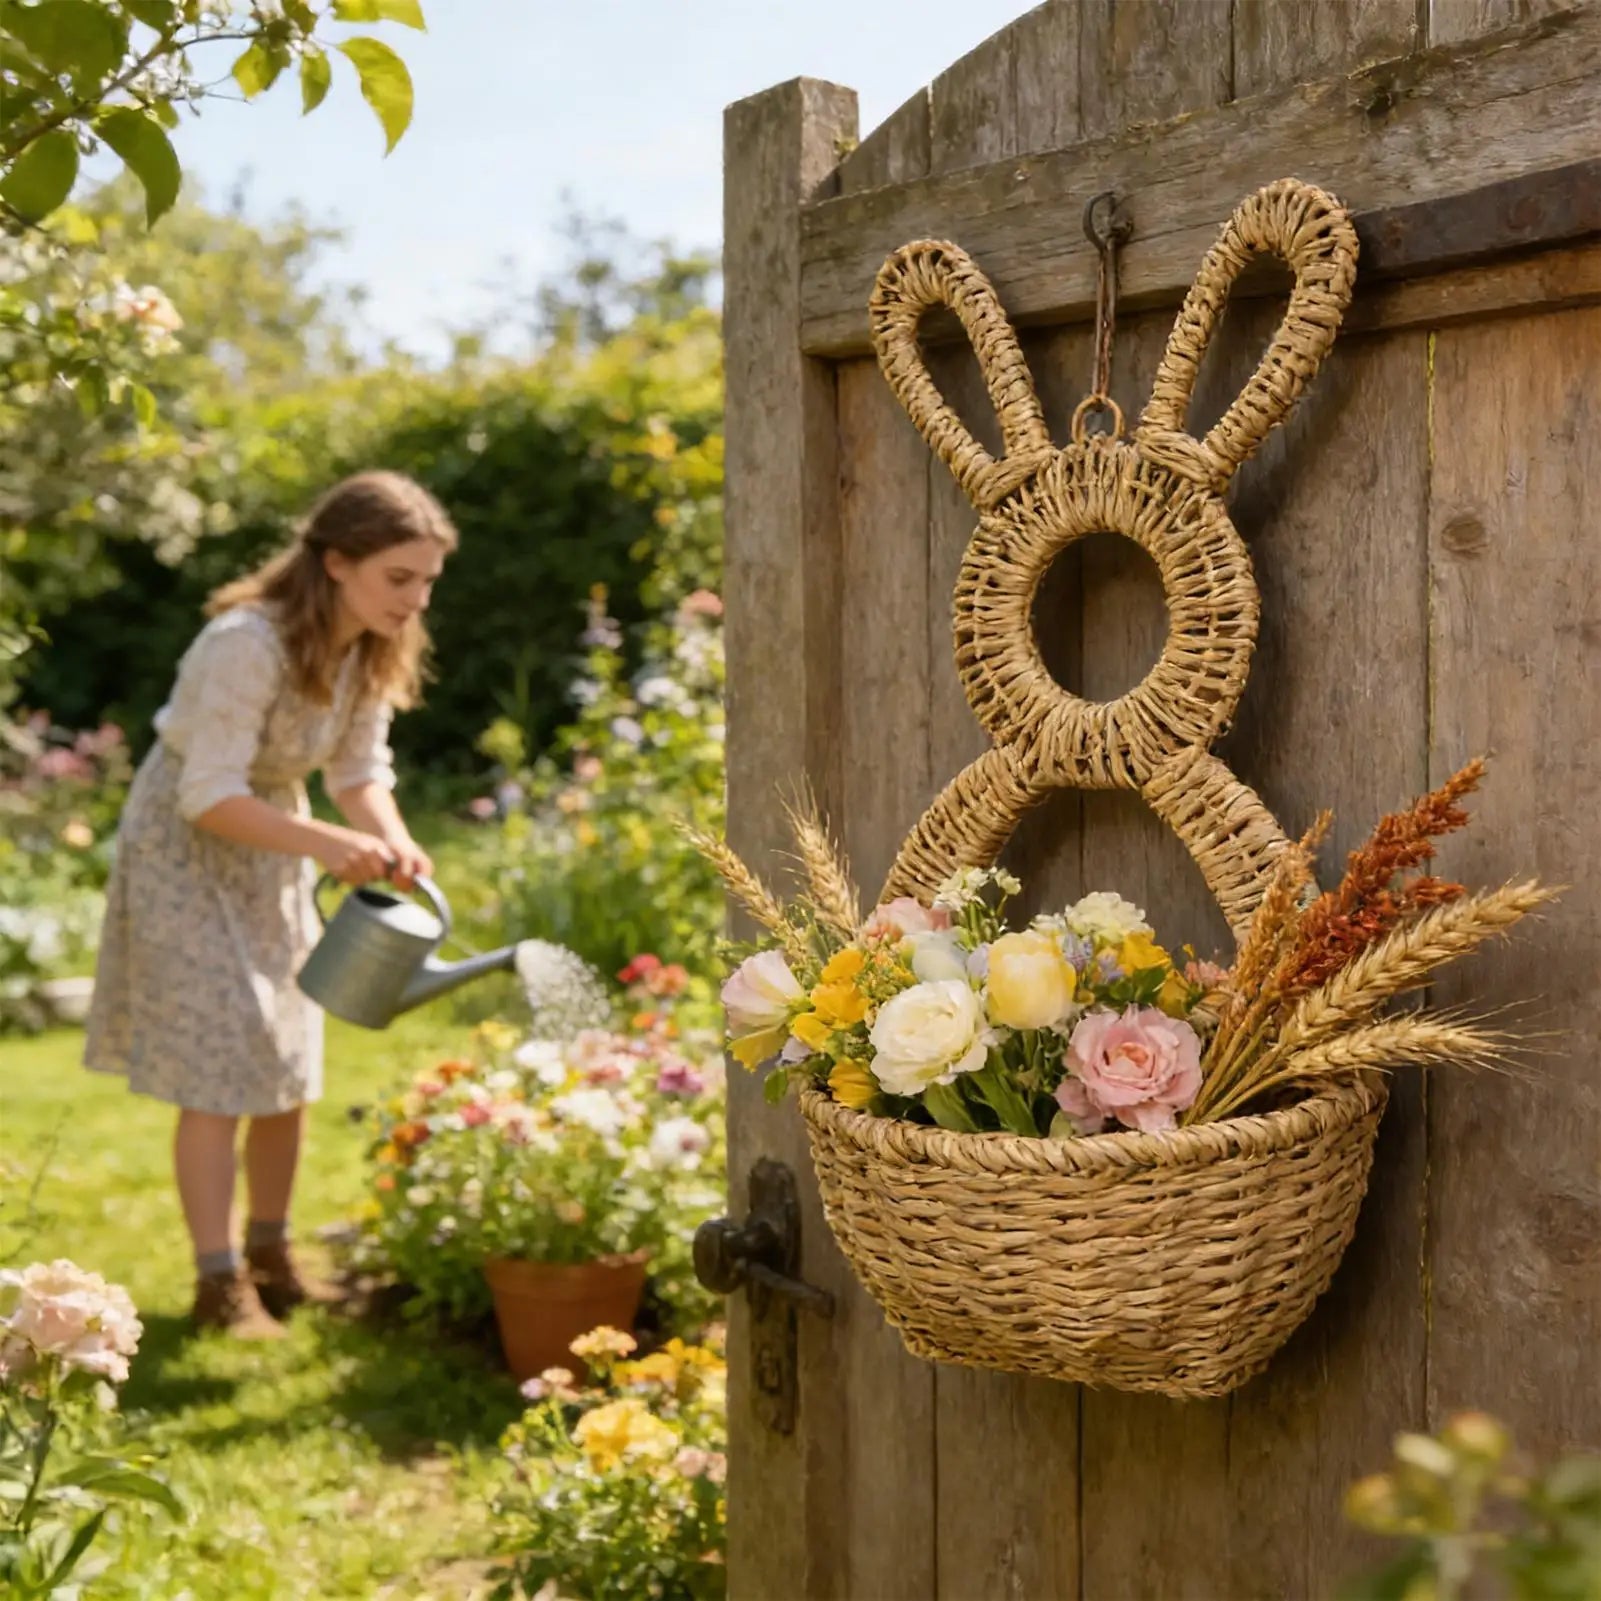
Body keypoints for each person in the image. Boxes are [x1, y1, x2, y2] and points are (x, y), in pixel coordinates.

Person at [84, 470, 456, 1338]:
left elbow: (359, 773)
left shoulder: (372, 644)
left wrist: (390, 837)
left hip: (273, 845)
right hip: (187, 850)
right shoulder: (243, 643)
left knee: (286, 1058)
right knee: (221, 1068)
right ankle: (218, 1285)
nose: (415, 597)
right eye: (399, 577)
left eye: (427, 579)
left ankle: (271, 1258)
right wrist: (331, 844)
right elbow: (207, 793)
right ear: (336, 561)